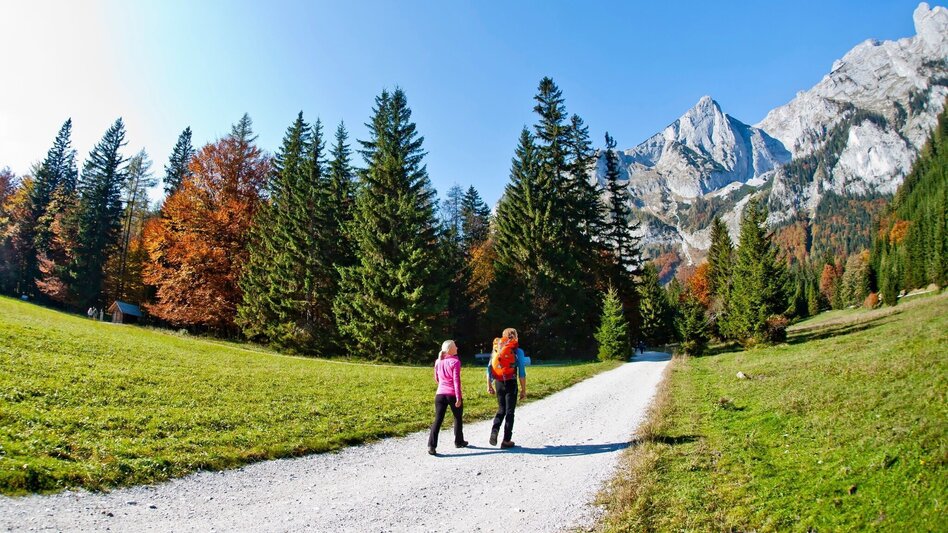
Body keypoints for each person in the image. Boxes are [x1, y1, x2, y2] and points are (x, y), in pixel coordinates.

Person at [487, 328, 527, 448]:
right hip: (511, 382)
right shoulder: (518, 351)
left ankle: (494, 431)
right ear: (515, 337)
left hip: (499, 382)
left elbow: (489, 368)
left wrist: (489, 385)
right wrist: (524, 390)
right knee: (510, 412)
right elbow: (522, 372)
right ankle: (506, 440)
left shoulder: (496, 349)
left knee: (501, 409)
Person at [428, 340, 467, 455]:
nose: (457, 347)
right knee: (457, 417)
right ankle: (459, 441)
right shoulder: (455, 362)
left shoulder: (438, 361)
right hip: (452, 394)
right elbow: (456, 381)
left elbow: (437, 379)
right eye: (455, 346)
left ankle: (431, 445)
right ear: (450, 349)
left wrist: (442, 385)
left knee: (438, 420)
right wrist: (458, 397)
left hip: (440, 394)